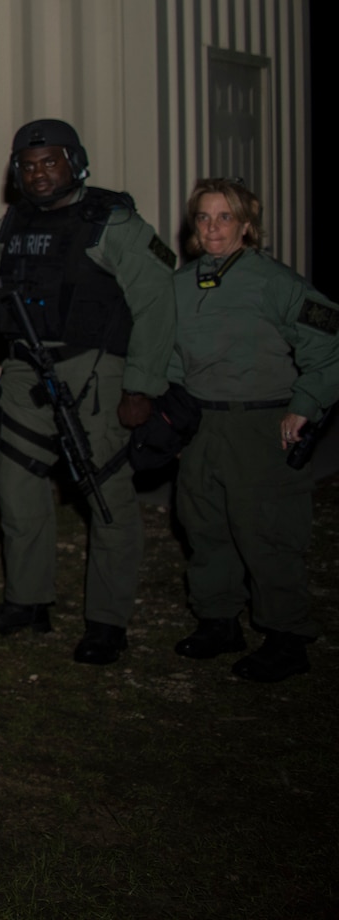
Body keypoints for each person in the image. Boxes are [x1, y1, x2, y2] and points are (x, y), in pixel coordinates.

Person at [0, 119, 175, 665]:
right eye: (28, 164)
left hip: (94, 371)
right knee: (17, 491)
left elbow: (157, 303)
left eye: (50, 162)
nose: (39, 173)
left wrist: (142, 386)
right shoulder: (11, 224)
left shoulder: (112, 222)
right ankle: (27, 600)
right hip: (24, 370)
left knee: (106, 493)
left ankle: (107, 621)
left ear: (75, 162)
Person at [166, 178, 338, 682]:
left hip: (261, 422)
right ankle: (219, 622)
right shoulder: (181, 283)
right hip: (202, 423)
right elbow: (174, 358)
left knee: (267, 534)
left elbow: (327, 348)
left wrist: (303, 407)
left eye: (224, 217)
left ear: (246, 224)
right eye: (203, 216)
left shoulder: (274, 282)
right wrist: (173, 422)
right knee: (205, 527)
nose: (212, 227)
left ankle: (287, 637)